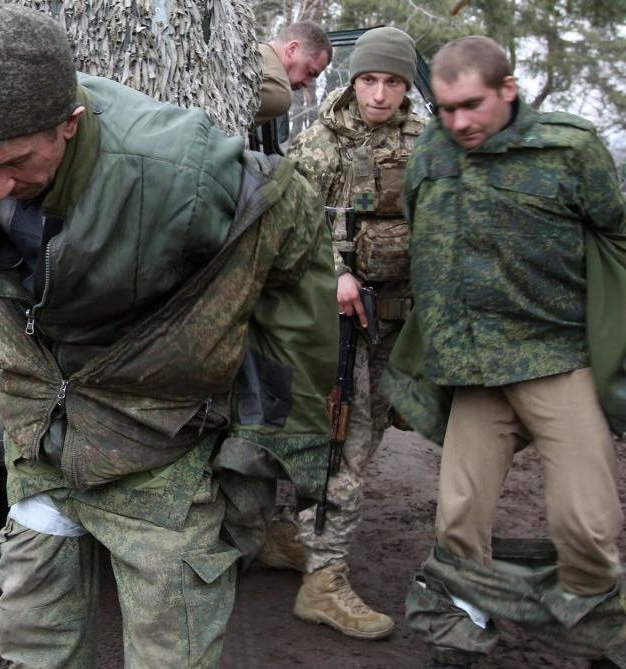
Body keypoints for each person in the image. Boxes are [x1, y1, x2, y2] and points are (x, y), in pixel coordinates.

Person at [0, 5, 337, 667]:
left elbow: (292, 240)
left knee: (169, 650)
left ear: (70, 124)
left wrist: (265, 439)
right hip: (43, 435)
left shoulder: (177, 171)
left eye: (14, 163)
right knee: (35, 639)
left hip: (159, 446)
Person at [381, 36, 626, 669]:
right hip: (473, 368)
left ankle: (595, 632)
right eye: (446, 109)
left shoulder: (569, 148)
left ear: (509, 89)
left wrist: (621, 319)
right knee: (459, 516)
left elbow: (621, 233)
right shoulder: (431, 151)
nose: (459, 122)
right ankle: (462, 628)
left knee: (586, 522)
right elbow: (424, 234)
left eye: (472, 105)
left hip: (556, 357)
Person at [258, 26, 425, 641]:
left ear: (406, 86)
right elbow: (287, 228)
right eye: (368, 80)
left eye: (392, 82)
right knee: (343, 444)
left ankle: (292, 534)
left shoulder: (427, 145)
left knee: (369, 434)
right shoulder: (319, 145)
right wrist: (336, 273)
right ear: (352, 81)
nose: (379, 94)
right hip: (338, 324)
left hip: (399, 321)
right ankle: (323, 580)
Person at [254, 21, 332, 125]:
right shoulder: (279, 92)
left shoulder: (250, 49)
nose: (307, 84)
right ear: (292, 49)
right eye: (310, 72)